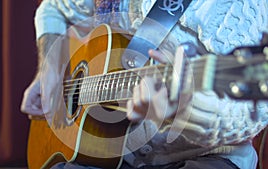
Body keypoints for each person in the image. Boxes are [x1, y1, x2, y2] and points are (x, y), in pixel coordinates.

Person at [21, 0, 268, 168]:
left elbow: (249, 116)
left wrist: (185, 110)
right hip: (110, 153)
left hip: (204, 157)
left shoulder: (238, 8)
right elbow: (52, 9)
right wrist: (49, 70)